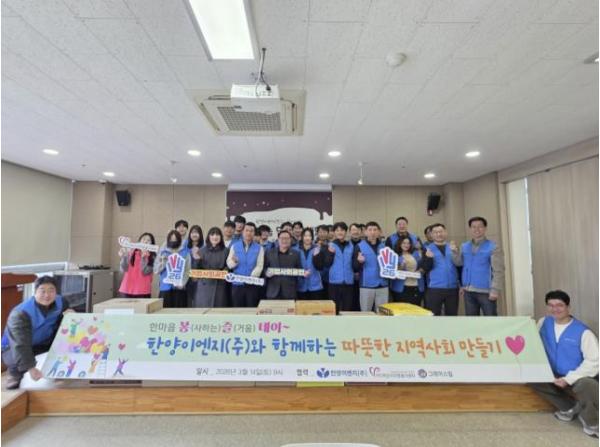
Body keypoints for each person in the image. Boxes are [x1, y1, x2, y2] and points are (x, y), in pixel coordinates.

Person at [530, 290, 598, 438]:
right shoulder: (543, 323)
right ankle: (569, 408)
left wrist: (568, 379)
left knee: (586, 385)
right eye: (551, 305)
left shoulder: (583, 332)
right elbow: (532, 342)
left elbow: (594, 361)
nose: (555, 309)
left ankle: (593, 423)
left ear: (568, 307)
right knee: (531, 375)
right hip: (554, 372)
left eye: (560, 305)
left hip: (579, 375)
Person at [1, 276, 72, 389]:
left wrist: (70, 313)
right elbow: (20, 344)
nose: (47, 295)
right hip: (13, 346)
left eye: (51, 290)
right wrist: (31, 369)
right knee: (16, 358)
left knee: (66, 341)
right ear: (35, 292)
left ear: (56, 292)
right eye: (42, 291)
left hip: (43, 341)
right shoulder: (20, 313)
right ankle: (14, 374)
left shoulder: (61, 302)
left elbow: (66, 310)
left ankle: (59, 369)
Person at [451, 216, 505, 316]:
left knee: (491, 319)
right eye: (473, 227)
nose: (477, 229)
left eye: (480, 226)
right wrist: (454, 252)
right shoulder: (464, 246)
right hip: (468, 291)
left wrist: (495, 290)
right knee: (472, 321)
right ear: (470, 229)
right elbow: (459, 263)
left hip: (486, 291)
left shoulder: (493, 247)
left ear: (485, 228)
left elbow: (499, 270)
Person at [420, 223, 459, 316]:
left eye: (441, 231)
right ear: (431, 235)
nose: (439, 234)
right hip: (434, 288)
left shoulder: (452, 247)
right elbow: (425, 268)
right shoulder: (427, 249)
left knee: (452, 316)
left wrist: (461, 284)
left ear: (445, 232)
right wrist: (428, 258)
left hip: (452, 288)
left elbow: (459, 266)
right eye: (435, 232)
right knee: (434, 317)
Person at [353, 221, 388, 312]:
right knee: (366, 313)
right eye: (370, 230)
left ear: (379, 232)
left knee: (382, 313)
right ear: (365, 232)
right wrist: (359, 262)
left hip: (383, 284)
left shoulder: (384, 247)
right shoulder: (359, 246)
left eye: (375, 230)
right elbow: (355, 267)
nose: (373, 232)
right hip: (366, 285)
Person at [226, 222, 264, 307]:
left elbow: (259, 265)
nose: (249, 233)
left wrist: (250, 278)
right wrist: (234, 262)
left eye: (251, 231)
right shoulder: (234, 246)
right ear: (243, 232)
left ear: (254, 233)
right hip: (237, 284)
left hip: (252, 284)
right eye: (247, 230)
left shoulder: (259, 248)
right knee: (237, 309)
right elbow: (229, 264)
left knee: (251, 308)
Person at [191, 227, 230, 308]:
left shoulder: (226, 251)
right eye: (212, 234)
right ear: (208, 237)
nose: (215, 237)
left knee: (219, 308)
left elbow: (228, 267)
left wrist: (224, 271)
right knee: (203, 308)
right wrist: (197, 259)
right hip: (204, 285)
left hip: (220, 285)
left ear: (221, 237)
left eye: (217, 235)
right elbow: (195, 270)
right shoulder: (202, 250)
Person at [265, 230, 306, 299]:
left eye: (287, 238)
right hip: (273, 291)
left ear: (290, 240)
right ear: (278, 240)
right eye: (282, 238)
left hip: (290, 292)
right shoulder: (269, 253)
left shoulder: (296, 254)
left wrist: (303, 273)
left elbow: (300, 269)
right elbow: (264, 268)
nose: (284, 240)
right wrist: (266, 273)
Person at [323, 222, 355, 313]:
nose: (340, 232)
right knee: (334, 310)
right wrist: (330, 254)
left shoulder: (351, 246)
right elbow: (326, 264)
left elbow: (354, 263)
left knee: (347, 309)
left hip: (348, 282)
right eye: (337, 230)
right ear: (334, 232)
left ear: (346, 232)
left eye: (342, 230)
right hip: (334, 282)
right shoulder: (329, 245)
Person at [154, 230, 191, 308]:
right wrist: (163, 262)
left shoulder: (185, 253)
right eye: (171, 239)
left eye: (175, 239)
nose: (173, 241)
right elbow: (156, 270)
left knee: (179, 312)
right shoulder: (163, 252)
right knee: (164, 311)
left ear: (180, 240)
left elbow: (187, 270)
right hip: (165, 287)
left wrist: (183, 283)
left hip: (179, 288)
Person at [118, 232, 155, 298]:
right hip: (126, 289)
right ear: (139, 241)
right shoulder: (131, 252)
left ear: (151, 244)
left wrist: (143, 258)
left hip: (143, 290)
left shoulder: (152, 256)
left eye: (148, 240)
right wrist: (124, 256)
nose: (146, 241)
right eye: (144, 239)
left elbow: (145, 272)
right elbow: (123, 269)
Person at [390, 235, 425, 306]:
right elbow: (392, 273)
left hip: (416, 286)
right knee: (401, 309)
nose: (406, 245)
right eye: (404, 243)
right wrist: (400, 267)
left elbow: (423, 266)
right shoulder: (394, 256)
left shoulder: (416, 254)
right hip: (401, 288)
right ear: (399, 244)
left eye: (408, 243)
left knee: (415, 309)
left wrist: (421, 270)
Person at [296, 228, 325, 300]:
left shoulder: (317, 249)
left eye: (309, 236)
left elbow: (320, 267)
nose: (307, 238)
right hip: (301, 285)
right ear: (302, 237)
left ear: (312, 237)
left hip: (315, 286)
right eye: (305, 236)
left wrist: (316, 256)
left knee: (315, 306)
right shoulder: (296, 250)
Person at [185, 225, 204, 307]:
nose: (194, 234)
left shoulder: (204, 247)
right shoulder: (185, 246)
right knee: (187, 301)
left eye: (197, 232)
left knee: (197, 300)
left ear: (200, 234)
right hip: (186, 278)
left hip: (199, 279)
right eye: (192, 232)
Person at [349, 223, 363, 311]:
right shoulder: (346, 244)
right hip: (349, 278)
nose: (355, 232)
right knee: (350, 302)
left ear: (361, 232)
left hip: (363, 278)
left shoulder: (365, 245)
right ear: (349, 232)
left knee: (361, 303)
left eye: (358, 230)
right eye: (353, 230)